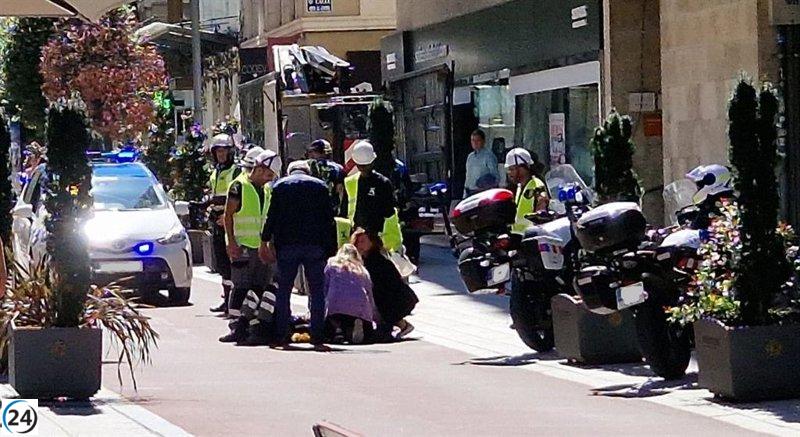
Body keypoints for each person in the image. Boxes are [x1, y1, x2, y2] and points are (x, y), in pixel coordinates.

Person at [260, 160, 337, 349]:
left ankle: (281, 334)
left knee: (284, 290)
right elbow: (329, 219)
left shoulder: (280, 187)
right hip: (315, 245)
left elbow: (272, 216)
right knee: (317, 291)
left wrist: (265, 240)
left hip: (287, 245)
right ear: (307, 171)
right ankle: (317, 336)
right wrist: (331, 248)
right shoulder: (320, 186)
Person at [219, 147, 280, 343]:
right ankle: (236, 326)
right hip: (243, 246)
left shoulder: (267, 189)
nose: (270, 178)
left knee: (258, 288)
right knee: (241, 288)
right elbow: (228, 216)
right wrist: (231, 243)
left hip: (261, 248)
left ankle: (251, 326)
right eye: (269, 174)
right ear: (260, 168)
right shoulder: (239, 186)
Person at [352, 229, 418, 340]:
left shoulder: (376, 261)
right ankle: (401, 324)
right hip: (395, 301)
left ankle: (401, 325)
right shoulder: (366, 259)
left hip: (398, 301)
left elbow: (380, 289)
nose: (359, 245)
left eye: (363, 241)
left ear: (372, 242)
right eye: (358, 242)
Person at [341, 141, 402, 252]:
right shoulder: (350, 182)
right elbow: (344, 212)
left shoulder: (383, 183)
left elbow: (390, 214)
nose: (363, 168)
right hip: (356, 238)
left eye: (365, 165)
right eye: (361, 166)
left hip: (378, 239)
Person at [207, 134, 242, 314]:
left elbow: (236, 197)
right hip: (216, 221)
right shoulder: (216, 171)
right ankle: (226, 298)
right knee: (221, 263)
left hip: (228, 222)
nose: (220, 155)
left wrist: (227, 216)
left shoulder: (235, 171)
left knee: (231, 263)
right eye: (217, 151)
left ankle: (233, 301)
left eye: (223, 151)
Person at [324, 243, 376, 344]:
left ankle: (338, 329)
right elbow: (369, 293)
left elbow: (324, 287)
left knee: (328, 329)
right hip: (359, 308)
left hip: (336, 307)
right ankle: (356, 326)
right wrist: (371, 317)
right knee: (369, 334)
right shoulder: (362, 269)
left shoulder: (331, 263)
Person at [505, 148, 549, 234]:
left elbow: (542, 205)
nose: (509, 173)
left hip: (530, 238)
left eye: (512, 169)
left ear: (522, 168)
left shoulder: (537, 185)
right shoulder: (519, 186)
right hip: (518, 236)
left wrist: (540, 212)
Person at [306, 139, 345, 211]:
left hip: (313, 208)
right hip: (331, 207)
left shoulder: (307, 166)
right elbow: (340, 190)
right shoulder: (338, 168)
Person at [464, 129, 499, 197]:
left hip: (481, 193)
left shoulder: (489, 156)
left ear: (483, 141)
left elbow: (495, 177)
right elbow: (468, 177)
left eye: (478, 140)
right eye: (473, 140)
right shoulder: (470, 157)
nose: (475, 143)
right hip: (469, 192)